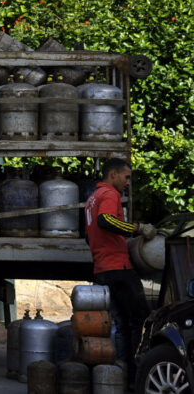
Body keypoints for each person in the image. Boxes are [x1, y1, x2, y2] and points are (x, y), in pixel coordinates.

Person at [84, 158, 155, 381]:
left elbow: (90, 235)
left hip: (102, 269)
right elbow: (106, 221)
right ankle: (139, 374)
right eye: (126, 177)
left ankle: (125, 375)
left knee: (122, 325)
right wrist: (137, 228)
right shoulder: (110, 194)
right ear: (113, 175)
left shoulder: (92, 199)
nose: (128, 183)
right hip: (118, 268)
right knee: (141, 322)